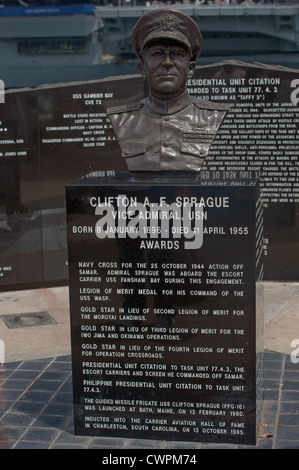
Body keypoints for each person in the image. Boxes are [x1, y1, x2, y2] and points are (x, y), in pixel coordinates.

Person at [107, 9, 230, 172]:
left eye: (177, 54)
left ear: (191, 69)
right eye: (157, 54)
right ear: (142, 68)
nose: (167, 62)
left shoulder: (215, 116)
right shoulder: (121, 119)